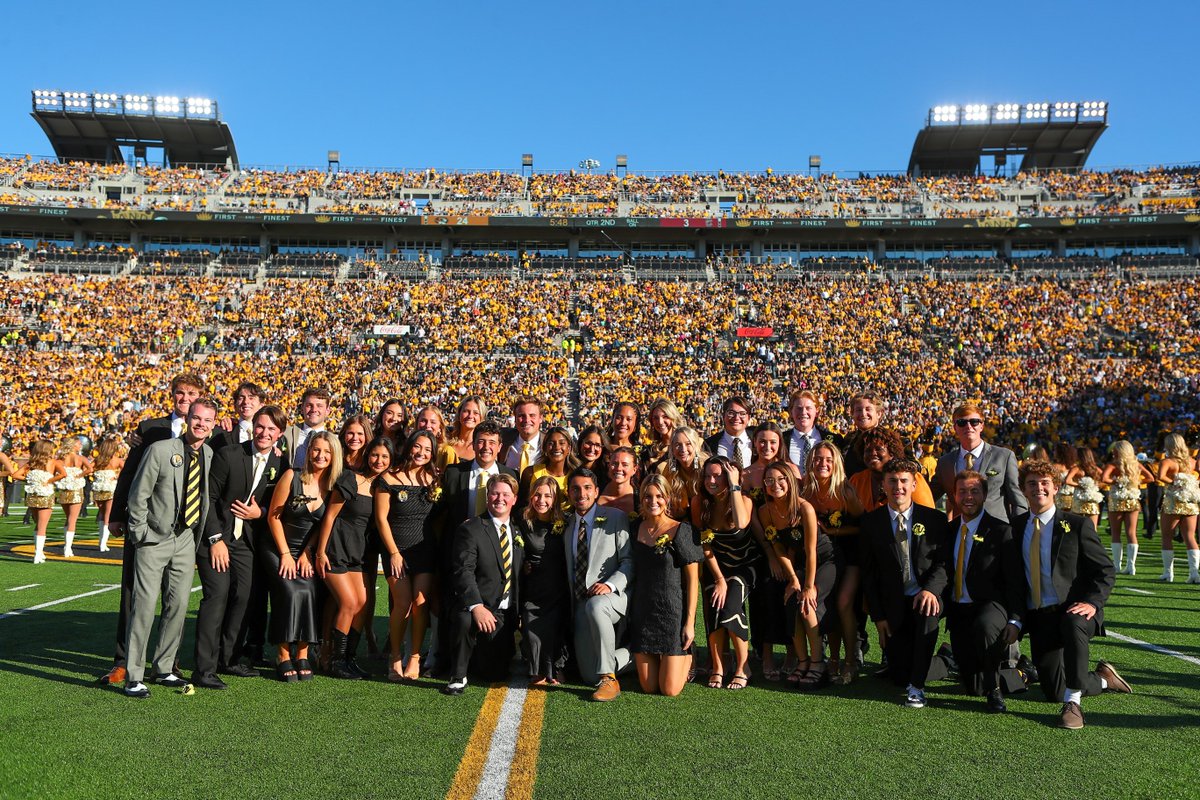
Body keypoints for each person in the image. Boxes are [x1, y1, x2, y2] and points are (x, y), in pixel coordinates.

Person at [1005, 460, 1131, 729]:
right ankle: (1104, 679)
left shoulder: (1077, 525)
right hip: (1040, 615)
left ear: (1056, 488)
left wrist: (1093, 603)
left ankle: (1073, 704)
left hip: (1075, 610)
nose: (1038, 488)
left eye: (1044, 483)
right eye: (1032, 484)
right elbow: (1014, 580)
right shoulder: (1015, 528)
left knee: (1073, 621)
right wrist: (1016, 619)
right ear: (1023, 490)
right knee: (1053, 691)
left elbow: (1105, 570)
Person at [98, 371, 205, 687]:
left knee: (176, 597)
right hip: (146, 525)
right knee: (133, 594)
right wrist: (118, 515)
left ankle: (168, 662)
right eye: (180, 393)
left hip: (183, 530)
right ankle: (123, 662)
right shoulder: (149, 429)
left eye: (190, 395)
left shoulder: (207, 431)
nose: (184, 399)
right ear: (172, 395)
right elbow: (130, 474)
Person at [121, 398, 218, 698]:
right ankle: (133, 675)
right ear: (188, 419)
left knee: (177, 605)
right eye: (197, 418)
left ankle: (163, 668)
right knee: (144, 606)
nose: (201, 424)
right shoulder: (160, 449)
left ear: (214, 425)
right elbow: (138, 495)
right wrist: (140, 534)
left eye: (207, 420)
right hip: (154, 538)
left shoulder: (209, 453)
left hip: (186, 538)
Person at [193, 405, 286, 688]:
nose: (265, 433)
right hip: (216, 539)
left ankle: (231, 659)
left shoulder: (280, 465)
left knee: (244, 597)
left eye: (271, 429)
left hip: (245, 542)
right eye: (261, 426)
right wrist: (214, 539)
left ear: (280, 434)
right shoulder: (230, 454)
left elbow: (280, 504)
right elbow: (207, 498)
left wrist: (261, 513)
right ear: (252, 426)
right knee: (217, 596)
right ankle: (204, 669)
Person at [859, 458, 949, 709]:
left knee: (928, 611)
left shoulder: (934, 520)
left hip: (926, 597)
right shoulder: (870, 523)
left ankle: (917, 689)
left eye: (903, 481)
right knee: (899, 675)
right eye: (892, 481)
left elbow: (943, 563)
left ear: (913, 484)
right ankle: (945, 659)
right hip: (894, 604)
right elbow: (869, 574)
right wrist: (878, 617)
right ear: (884, 486)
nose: (898, 486)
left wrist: (930, 590)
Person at [942, 470, 1023, 712]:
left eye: (974, 491)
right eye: (963, 491)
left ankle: (995, 689)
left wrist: (1016, 619)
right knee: (972, 687)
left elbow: (1015, 580)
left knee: (986, 627)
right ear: (954, 496)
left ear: (985, 495)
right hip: (959, 608)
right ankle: (1021, 673)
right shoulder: (948, 530)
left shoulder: (1000, 531)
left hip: (990, 604)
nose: (969, 497)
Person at [263, 431, 340, 684]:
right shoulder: (291, 476)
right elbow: (273, 517)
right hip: (277, 547)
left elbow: (322, 525)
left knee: (307, 590)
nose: (321, 456)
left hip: (304, 552)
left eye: (327, 452)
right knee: (289, 591)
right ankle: (283, 654)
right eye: (316, 450)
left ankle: (303, 652)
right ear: (308, 451)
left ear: (333, 457)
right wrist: (285, 554)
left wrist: (307, 553)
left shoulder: (330, 488)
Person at [314, 436, 390, 680]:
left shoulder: (384, 487)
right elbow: (329, 517)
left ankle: (349, 658)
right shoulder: (350, 478)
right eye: (375, 455)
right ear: (368, 455)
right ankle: (336, 660)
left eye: (385, 457)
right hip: (336, 548)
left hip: (358, 553)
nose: (379, 461)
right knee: (348, 602)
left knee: (363, 604)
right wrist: (320, 551)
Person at [442, 473, 524, 695]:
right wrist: (476, 606)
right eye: (495, 493)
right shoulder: (471, 528)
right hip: (478, 606)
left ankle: (479, 655)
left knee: (494, 673)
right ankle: (457, 676)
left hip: (504, 613)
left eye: (506, 494)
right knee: (464, 617)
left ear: (514, 499)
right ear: (487, 497)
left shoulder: (518, 531)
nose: (500, 498)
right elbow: (463, 571)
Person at [759, 462, 833, 689]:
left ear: (791, 481)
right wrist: (793, 579)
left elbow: (812, 551)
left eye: (781, 479)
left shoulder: (805, 508)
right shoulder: (765, 511)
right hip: (797, 564)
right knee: (792, 602)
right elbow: (778, 547)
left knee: (807, 605)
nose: (775, 485)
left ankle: (819, 663)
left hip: (824, 561)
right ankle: (803, 662)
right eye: (769, 480)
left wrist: (808, 586)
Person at [564, 467, 634, 701]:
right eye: (575, 488)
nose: (581, 494)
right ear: (568, 492)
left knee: (596, 605)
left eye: (586, 488)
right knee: (587, 676)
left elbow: (628, 561)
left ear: (596, 492)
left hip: (613, 597)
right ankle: (640, 656)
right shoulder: (565, 525)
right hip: (580, 603)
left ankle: (609, 678)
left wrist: (611, 585)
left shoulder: (615, 517)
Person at [375, 430, 439, 681]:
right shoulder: (388, 478)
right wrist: (393, 552)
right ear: (409, 446)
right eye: (418, 447)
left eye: (427, 450)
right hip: (396, 550)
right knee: (402, 603)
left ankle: (414, 656)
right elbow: (381, 519)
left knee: (420, 604)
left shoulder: (433, 478)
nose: (422, 453)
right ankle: (394, 657)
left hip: (424, 550)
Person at [630, 474, 701, 697]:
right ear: (640, 499)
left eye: (659, 496)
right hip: (643, 613)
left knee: (669, 690)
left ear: (667, 498)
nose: (653, 501)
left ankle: (689, 655)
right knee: (649, 687)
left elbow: (692, 580)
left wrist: (689, 624)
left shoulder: (681, 530)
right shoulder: (634, 528)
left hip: (671, 613)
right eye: (648, 496)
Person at [800, 441, 864, 684]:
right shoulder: (806, 490)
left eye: (828, 459)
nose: (822, 464)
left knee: (844, 602)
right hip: (825, 556)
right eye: (818, 459)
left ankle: (850, 661)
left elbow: (863, 527)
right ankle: (832, 659)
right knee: (825, 601)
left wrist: (832, 531)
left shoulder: (846, 491)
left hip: (851, 555)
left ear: (836, 462)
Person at [692, 455, 757, 690]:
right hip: (715, 567)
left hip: (743, 566)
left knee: (731, 605)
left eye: (718, 475)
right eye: (708, 475)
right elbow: (703, 544)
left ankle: (743, 666)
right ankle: (718, 666)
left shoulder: (743, 501)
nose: (712, 480)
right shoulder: (700, 502)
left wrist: (734, 485)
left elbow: (740, 523)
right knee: (714, 606)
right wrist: (719, 578)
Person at [932, 403, 1027, 522]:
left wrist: (1017, 531)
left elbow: (1018, 501)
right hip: (961, 533)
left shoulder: (1004, 457)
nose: (968, 426)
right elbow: (928, 496)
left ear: (981, 426)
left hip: (996, 532)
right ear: (955, 428)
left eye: (974, 422)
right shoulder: (945, 463)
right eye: (962, 422)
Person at [519, 476, 571, 685]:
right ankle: (535, 669)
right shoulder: (522, 520)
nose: (542, 500)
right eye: (537, 494)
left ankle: (554, 669)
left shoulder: (566, 521)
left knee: (554, 627)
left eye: (548, 495)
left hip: (558, 584)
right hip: (533, 584)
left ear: (555, 498)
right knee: (532, 629)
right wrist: (522, 563)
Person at [850, 427, 935, 514]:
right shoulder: (856, 481)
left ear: (892, 453)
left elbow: (928, 516)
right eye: (868, 450)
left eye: (879, 449)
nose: (873, 453)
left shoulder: (911, 478)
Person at [1101, 440, 1155, 575]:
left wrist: (1117, 481)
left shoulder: (1113, 465)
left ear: (1119, 451)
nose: (1113, 452)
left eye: (1115, 450)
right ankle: (1131, 566)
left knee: (1116, 533)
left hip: (1117, 499)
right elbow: (1151, 478)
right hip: (1132, 499)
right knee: (1131, 533)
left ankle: (1117, 565)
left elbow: (1104, 478)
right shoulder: (1135, 464)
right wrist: (1134, 481)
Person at [1156, 433, 1200, 582]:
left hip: (1172, 501)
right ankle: (1194, 574)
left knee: (1167, 537)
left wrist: (1175, 483)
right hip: (1190, 502)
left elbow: (1160, 477)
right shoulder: (1193, 462)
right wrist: (1189, 484)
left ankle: (1168, 574)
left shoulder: (1167, 461)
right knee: (1190, 536)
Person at [13, 440, 65, 563]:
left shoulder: (31, 462)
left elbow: (15, 475)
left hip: (32, 495)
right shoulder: (53, 462)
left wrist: (30, 480)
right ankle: (37, 555)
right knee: (42, 526)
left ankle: (39, 553)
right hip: (45, 495)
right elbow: (63, 474)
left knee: (38, 524)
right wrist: (49, 480)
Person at [784, 390, 842, 477]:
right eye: (799, 408)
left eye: (808, 408)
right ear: (791, 412)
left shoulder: (834, 440)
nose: (803, 412)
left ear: (817, 412)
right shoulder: (781, 440)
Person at [518, 426, 577, 506]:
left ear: (569, 448)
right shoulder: (530, 473)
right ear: (545, 448)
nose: (557, 447)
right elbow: (521, 505)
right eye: (551, 443)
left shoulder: (576, 475)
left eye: (562, 443)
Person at [55, 437, 90, 558]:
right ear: (73, 445)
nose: (81, 445)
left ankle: (67, 546)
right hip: (75, 489)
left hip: (64, 489)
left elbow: (56, 469)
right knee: (72, 519)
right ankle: (67, 548)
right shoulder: (80, 458)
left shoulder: (61, 459)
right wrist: (80, 475)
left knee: (68, 518)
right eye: (79, 444)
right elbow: (90, 469)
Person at [207, 381, 269, 451]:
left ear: (261, 405)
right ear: (235, 406)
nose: (246, 402)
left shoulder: (272, 434)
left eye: (251, 398)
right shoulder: (222, 432)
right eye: (241, 398)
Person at [662, 426, 706, 521]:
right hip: (682, 519)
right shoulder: (668, 469)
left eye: (688, 444)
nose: (683, 449)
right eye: (678, 444)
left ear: (696, 446)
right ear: (672, 448)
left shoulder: (705, 467)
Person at [283, 387, 332, 469]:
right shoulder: (286, 433)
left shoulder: (334, 441)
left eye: (319, 406)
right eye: (309, 405)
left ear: (327, 411)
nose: (314, 410)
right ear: (302, 408)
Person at [703, 396, 753, 470]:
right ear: (723, 416)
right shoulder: (709, 445)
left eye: (742, 414)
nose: (736, 418)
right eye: (731, 413)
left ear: (748, 418)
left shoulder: (758, 439)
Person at [501, 397, 545, 475]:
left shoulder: (549, 443)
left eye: (532, 415)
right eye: (521, 416)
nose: (527, 420)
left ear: (540, 418)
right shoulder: (503, 438)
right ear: (515, 419)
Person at [643, 398, 685, 474]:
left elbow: (698, 470)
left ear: (673, 417)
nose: (660, 422)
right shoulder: (650, 452)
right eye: (656, 418)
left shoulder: (690, 445)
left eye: (665, 416)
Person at [415, 404, 459, 471]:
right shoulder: (408, 448)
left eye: (433, 422)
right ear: (417, 423)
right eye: (423, 421)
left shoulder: (446, 452)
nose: (427, 425)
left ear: (440, 428)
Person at [598, 446, 638, 516]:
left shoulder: (639, 500)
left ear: (634, 469)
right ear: (609, 466)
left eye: (625, 465)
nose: (619, 468)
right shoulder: (596, 493)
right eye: (614, 464)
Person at [446, 395, 486, 463]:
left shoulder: (484, 446)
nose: (470, 416)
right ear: (459, 414)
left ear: (481, 418)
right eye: (466, 411)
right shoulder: (445, 440)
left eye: (476, 413)